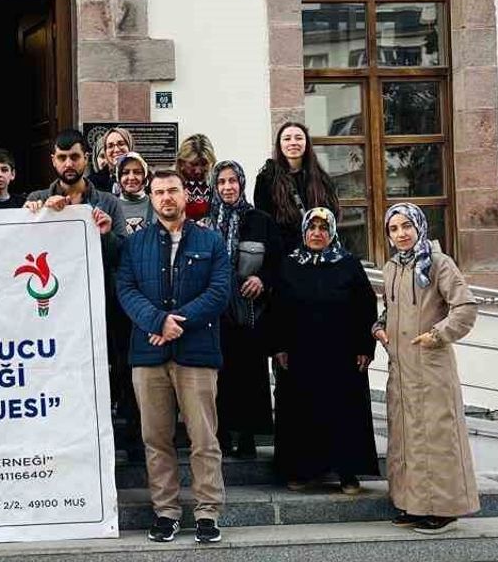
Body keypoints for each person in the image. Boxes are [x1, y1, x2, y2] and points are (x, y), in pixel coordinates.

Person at [116, 168, 232, 544]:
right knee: (156, 439)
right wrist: (157, 321)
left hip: (196, 353)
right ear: (151, 198)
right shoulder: (136, 243)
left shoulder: (211, 241)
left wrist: (175, 322)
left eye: (173, 190)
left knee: (204, 438)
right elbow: (126, 289)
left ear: (185, 195)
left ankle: (207, 512)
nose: (166, 197)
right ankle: (166, 512)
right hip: (148, 355)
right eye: (159, 192)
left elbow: (219, 292)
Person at [25, 130, 132, 456]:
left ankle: (120, 443)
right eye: (62, 157)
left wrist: (106, 233)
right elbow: (23, 249)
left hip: (103, 303)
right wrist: (36, 215)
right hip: (57, 310)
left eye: (74, 156)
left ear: (86, 158)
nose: (68, 164)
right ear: (53, 161)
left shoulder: (108, 202)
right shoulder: (37, 198)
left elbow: (122, 255)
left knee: (112, 370)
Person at [376, 203, 479, 534]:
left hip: (431, 366)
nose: (401, 234)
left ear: (419, 226)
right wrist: (379, 327)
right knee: (407, 438)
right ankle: (414, 504)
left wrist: (438, 334)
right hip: (401, 368)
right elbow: (390, 308)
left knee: (436, 437)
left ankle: (444, 510)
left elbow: (465, 308)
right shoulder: (391, 267)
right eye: (394, 229)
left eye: (406, 226)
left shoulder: (438, 263)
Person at [270, 207, 379, 494]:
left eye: (323, 228)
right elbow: (276, 308)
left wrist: (365, 347)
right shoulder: (289, 264)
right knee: (301, 412)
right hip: (300, 355)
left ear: (331, 232)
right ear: (304, 231)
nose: (317, 233)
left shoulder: (348, 264)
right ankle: (302, 471)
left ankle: (347, 474)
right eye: (312, 227)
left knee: (343, 412)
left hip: (341, 354)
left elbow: (366, 307)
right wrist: (278, 346)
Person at [208, 160, 280, 459]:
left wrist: (262, 279)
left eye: (232, 181)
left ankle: (248, 437)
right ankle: (222, 435)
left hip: (250, 311)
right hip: (215, 311)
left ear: (241, 183)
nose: (227, 187)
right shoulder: (205, 222)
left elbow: (277, 262)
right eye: (221, 182)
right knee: (219, 375)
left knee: (249, 375)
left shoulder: (260, 220)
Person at [254, 122, 339, 252]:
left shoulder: (321, 178)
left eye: (299, 138)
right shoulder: (267, 179)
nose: (293, 143)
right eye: (287, 139)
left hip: (318, 251)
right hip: (283, 254)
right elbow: (264, 221)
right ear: (279, 144)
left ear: (306, 143)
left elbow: (332, 214)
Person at [176, 133, 217, 222]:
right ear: (181, 163)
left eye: (204, 164)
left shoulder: (218, 187)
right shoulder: (170, 187)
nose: (198, 170)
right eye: (193, 164)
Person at [115, 152, 154, 234]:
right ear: (118, 177)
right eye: (125, 172)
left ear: (145, 176)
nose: (131, 177)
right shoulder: (109, 207)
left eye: (137, 172)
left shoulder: (157, 205)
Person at [88, 127, 133, 194]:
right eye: (110, 146)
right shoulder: (90, 184)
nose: (116, 150)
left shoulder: (144, 178)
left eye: (121, 144)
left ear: (129, 146)